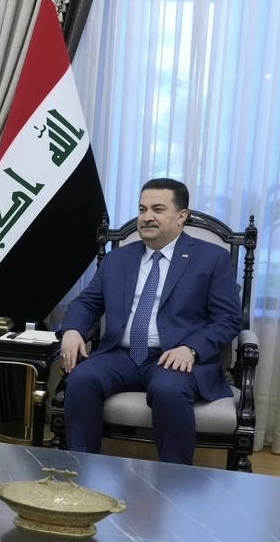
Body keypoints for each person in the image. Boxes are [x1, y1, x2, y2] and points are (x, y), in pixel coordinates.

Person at [60, 178, 241, 465]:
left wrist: (191, 349)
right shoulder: (118, 259)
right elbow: (87, 302)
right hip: (121, 355)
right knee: (81, 379)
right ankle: (78, 469)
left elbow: (228, 318)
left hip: (174, 357)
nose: (147, 217)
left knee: (169, 389)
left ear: (181, 216)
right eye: (142, 209)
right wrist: (72, 330)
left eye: (158, 209)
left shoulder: (211, 258)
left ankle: (174, 477)